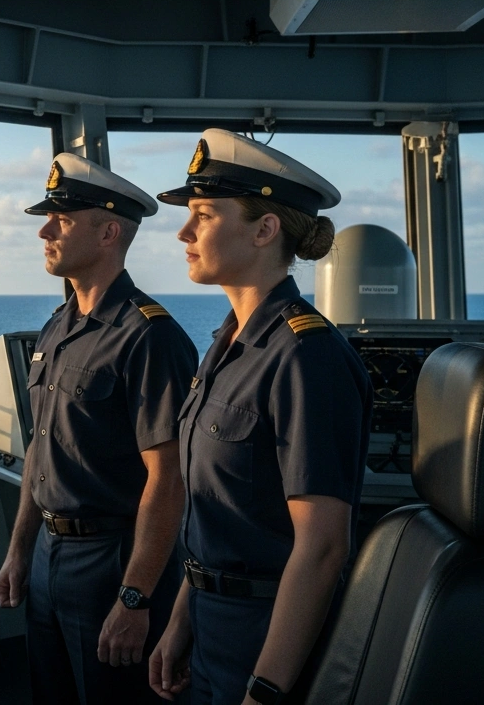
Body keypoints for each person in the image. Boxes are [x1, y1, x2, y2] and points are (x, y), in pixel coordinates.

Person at [147, 129, 373, 705]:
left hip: (267, 635)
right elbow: (209, 516)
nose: (184, 232)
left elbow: (322, 547)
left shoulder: (306, 357)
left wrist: (266, 689)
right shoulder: (228, 344)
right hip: (209, 621)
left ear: (265, 229)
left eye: (203, 215)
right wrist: (181, 621)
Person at [0, 152, 198, 705]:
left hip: (113, 559)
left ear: (109, 232)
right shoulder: (58, 326)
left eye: (61, 219)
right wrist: (19, 549)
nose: (44, 230)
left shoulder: (150, 337)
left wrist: (135, 598)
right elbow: (40, 449)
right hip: (46, 560)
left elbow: (169, 480)